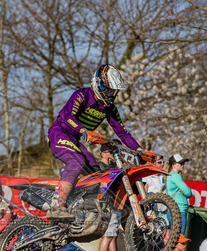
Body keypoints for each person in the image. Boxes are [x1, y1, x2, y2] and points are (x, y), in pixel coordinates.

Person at [46, 64, 149, 219]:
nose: (111, 95)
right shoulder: (82, 95)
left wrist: (140, 150)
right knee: (77, 161)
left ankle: (80, 208)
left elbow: (123, 133)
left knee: (95, 173)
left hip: (75, 140)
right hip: (59, 133)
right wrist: (84, 131)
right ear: (98, 84)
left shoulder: (110, 108)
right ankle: (56, 204)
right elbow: (67, 116)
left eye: (113, 91)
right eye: (108, 90)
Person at [98, 143, 122, 251]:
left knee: (112, 234)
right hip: (106, 205)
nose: (113, 155)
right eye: (110, 152)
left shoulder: (114, 167)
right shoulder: (100, 167)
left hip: (113, 204)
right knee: (107, 235)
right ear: (103, 153)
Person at [165, 154, 192, 235]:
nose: (183, 165)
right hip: (179, 210)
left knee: (174, 237)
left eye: (183, 163)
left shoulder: (170, 175)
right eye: (180, 163)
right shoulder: (175, 176)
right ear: (173, 165)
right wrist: (188, 194)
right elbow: (188, 192)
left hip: (174, 210)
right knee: (179, 238)